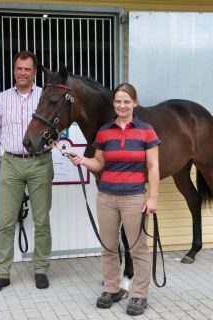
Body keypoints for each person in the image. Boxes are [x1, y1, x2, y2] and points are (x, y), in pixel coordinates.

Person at [70, 83, 160, 316]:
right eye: (118, 101)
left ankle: (139, 294)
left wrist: (153, 198)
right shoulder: (104, 132)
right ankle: (111, 289)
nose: (122, 105)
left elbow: (153, 167)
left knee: (138, 248)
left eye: (126, 101)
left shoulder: (146, 130)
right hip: (107, 197)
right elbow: (99, 163)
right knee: (108, 247)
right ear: (114, 104)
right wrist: (82, 160)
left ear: (135, 103)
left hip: (134, 198)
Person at [0, 51, 53, 294]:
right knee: (5, 221)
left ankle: (41, 269)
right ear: (13, 70)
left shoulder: (44, 97)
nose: (22, 72)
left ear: (35, 72)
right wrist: (12, 149)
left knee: (42, 219)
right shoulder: (1, 99)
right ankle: (2, 273)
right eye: (18, 68)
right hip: (12, 163)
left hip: (40, 162)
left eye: (27, 69)